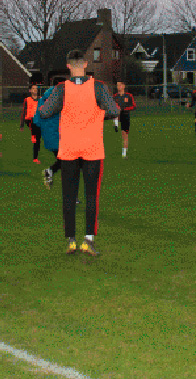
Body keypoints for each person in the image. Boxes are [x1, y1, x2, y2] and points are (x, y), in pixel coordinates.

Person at [39, 50, 121, 257]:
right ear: (85, 64)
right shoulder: (98, 87)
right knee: (91, 195)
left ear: (68, 66)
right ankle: (88, 240)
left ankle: (71, 241)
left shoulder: (61, 89)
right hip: (92, 148)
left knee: (69, 195)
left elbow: (44, 112)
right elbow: (114, 110)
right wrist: (96, 115)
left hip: (69, 149)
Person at [34, 84, 62, 190]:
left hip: (49, 136)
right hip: (57, 135)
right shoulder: (56, 102)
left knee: (65, 161)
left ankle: (50, 172)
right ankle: (50, 171)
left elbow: (36, 120)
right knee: (68, 162)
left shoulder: (42, 101)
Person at [113, 80, 136, 159]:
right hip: (118, 115)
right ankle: (115, 124)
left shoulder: (129, 96)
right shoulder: (115, 96)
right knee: (115, 115)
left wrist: (124, 109)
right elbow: (113, 107)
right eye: (117, 85)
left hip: (125, 115)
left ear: (123, 86)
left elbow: (133, 106)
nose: (118, 87)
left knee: (124, 134)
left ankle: (124, 153)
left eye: (119, 85)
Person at [20, 84, 42, 164]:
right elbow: (24, 111)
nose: (35, 90)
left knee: (37, 140)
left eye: (36, 89)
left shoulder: (40, 99)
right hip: (29, 120)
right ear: (30, 90)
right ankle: (33, 134)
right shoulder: (27, 99)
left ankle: (35, 158)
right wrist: (22, 124)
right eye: (33, 88)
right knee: (33, 123)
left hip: (38, 121)